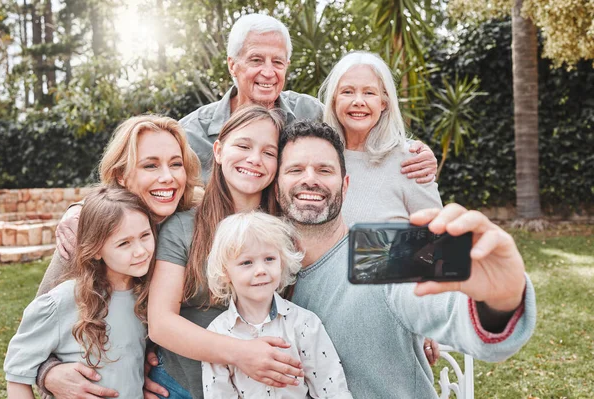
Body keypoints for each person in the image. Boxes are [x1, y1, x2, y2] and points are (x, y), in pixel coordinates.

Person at [276, 120, 537, 398]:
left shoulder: (380, 251)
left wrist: (499, 302)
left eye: (324, 170)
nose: (310, 179)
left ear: (346, 184)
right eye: (295, 169)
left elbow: (451, 312)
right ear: (276, 182)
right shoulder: (264, 268)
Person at [36, 115, 203, 399]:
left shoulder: (196, 217)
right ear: (121, 176)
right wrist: (48, 373)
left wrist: (148, 363)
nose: (168, 177)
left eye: (176, 164)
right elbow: (38, 323)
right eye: (151, 165)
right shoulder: (87, 235)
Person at [147, 105, 305, 399]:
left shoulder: (287, 231)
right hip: (179, 387)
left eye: (269, 153)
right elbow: (161, 323)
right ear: (218, 151)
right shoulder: (182, 227)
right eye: (243, 145)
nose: (254, 159)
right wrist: (240, 354)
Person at [179, 13, 437, 184]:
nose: (268, 72)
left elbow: (362, 136)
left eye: (277, 62)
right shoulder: (193, 134)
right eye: (256, 60)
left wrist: (411, 153)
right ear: (233, 65)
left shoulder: (311, 112)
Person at [320, 50, 443, 363]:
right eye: (347, 91)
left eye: (369, 92)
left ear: (384, 102)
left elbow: (438, 245)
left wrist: (427, 315)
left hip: (390, 323)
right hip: (318, 321)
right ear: (333, 100)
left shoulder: (409, 160)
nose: (358, 101)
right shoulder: (316, 159)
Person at [5, 187, 155, 399]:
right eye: (124, 243)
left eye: (145, 235)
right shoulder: (63, 300)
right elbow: (17, 372)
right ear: (95, 249)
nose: (141, 250)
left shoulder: (145, 297)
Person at [202, 211, 352, 399]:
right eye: (246, 262)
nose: (261, 270)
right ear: (225, 272)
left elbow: (331, 390)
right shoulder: (217, 335)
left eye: (269, 259)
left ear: (282, 262)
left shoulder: (304, 323)